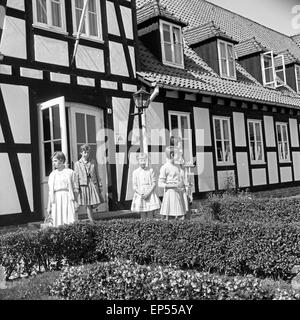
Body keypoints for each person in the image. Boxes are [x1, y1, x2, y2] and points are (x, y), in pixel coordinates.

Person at [74, 144, 104, 222]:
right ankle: (92, 220)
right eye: (84, 152)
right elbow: (76, 176)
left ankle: (92, 214)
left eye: (87, 152)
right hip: (84, 185)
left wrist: (100, 184)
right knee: (88, 204)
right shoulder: (77, 164)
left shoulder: (93, 161)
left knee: (97, 201)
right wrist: (76, 187)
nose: (86, 154)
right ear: (81, 153)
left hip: (92, 183)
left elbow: (97, 173)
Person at [47, 152, 78, 227]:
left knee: (69, 220)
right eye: (53, 161)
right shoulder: (52, 174)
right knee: (56, 221)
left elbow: (75, 189)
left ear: (61, 160)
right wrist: (49, 206)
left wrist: (76, 202)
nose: (53, 163)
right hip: (56, 200)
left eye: (55, 161)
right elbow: (50, 192)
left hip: (68, 198)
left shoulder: (70, 172)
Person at [158, 146, 186, 220]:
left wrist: (182, 168)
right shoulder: (164, 167)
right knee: (170, 216)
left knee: (180, 216)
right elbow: (160, 184)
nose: (179, 156)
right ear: (172, 155)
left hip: (178, 193)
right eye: (178, 154)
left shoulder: (177, 167)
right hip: (170, 193)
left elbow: (181, 179)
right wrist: (173, 185)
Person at [131, 153, 161, 220]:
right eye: (141, 160)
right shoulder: (135, 172)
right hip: (141, 194)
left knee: (150, 213)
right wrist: (141, 193)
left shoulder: (150, 170)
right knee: (143, 214)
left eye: (144, 160)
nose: (143, 162)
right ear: (138, 161)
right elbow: (134, 186)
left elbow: (154, 183)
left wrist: (148, 193)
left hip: (149, 193)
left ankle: (151, 226)